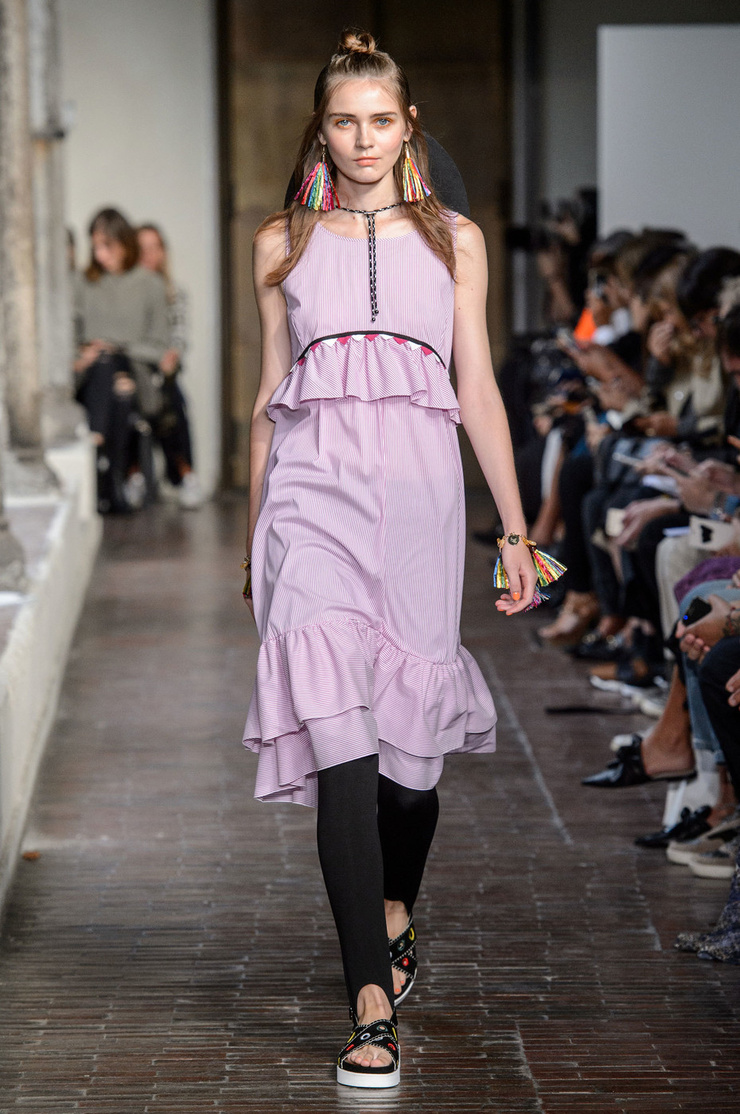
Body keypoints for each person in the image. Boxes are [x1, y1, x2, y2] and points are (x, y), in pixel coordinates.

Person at [241, 30, 537, 1089]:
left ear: (407, 125)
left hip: (418, 502)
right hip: (310, 502)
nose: (362, 139)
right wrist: (254, 547)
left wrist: (515, 532)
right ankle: (369, 1003)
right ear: (320, 131)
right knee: (342, 754)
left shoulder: (457, 241)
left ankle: (396, 903)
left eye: (379, 120)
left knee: (408, 776)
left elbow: (479, 390)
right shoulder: (280, 243)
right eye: (343, 122)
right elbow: (269, 401)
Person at [73, 208, 169, 512]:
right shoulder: (83, 283)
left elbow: (159, 348)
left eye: (107, 246)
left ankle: (100, 461)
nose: (99, 255)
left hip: (135, 374)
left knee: (119, 382)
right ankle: (114, 485)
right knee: (113, 383)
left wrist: (119, 348)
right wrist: (84, 354)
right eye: (95, 246)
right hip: (92, 375)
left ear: (125, 243)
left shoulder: (150, 285)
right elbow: (69, 339)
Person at [136, 224, 203, 509]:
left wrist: (168, 359)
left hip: (163, 372)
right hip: (136, 370)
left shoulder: (174, 292)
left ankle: (185, 475)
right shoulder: (127, 294)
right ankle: (138, 475)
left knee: (172, 401)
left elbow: (179, 338)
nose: (149, 254)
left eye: (155, 247)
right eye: (142, 248)